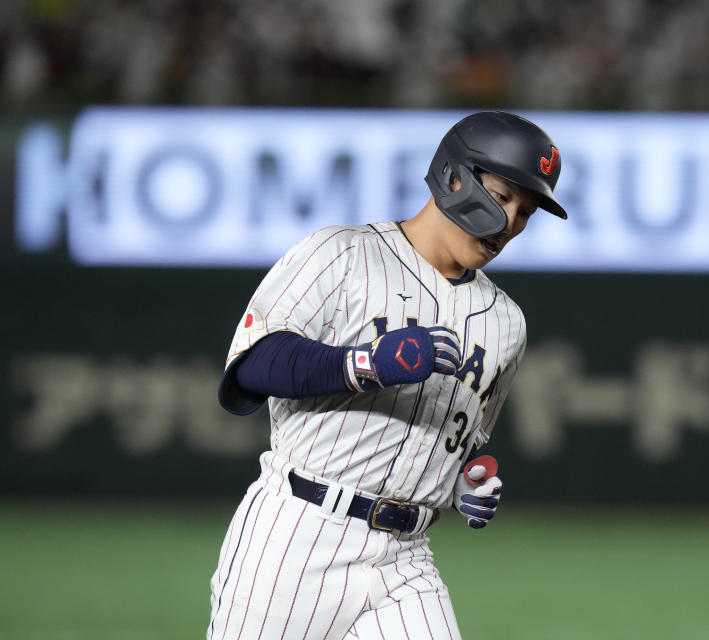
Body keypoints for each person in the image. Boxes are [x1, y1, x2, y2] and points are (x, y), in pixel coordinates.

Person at [206, 111, 567, 640]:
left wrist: (462, 486)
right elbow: (252, 365)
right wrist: (364, 363)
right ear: (453, 177)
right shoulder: (344, 253)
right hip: (298, 537)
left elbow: (457, 444)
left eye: (526, 211)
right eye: (503, 195)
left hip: (406, 556)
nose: (511, 221)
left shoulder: (506, 323)